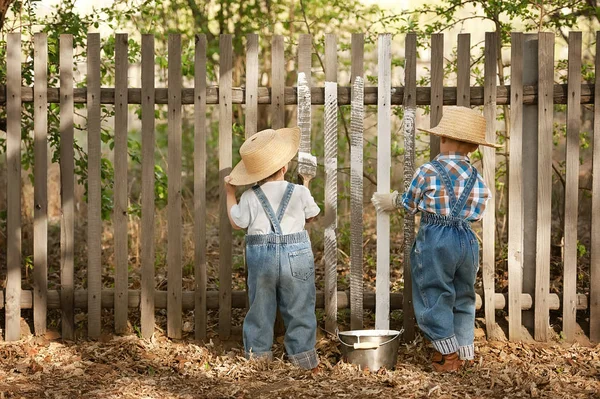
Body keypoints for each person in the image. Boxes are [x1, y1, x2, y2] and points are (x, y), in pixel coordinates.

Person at [371, 106, 500, 372]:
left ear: (442, 138)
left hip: (436, 238)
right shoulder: (477, 177)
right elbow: (481, 210)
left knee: (434, 292)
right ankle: (466, 352)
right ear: (474, 149)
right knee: (464, 295)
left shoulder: (428, 171)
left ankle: (448, 354)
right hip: (466, 239)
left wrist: (392, 200)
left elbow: (410, 204)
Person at [224, 126, 321, 370]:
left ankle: (257, 358)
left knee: (260, 306)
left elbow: (237, 223)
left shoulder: (249, 196)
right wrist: (305, 189)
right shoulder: (299, 191)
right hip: (296, 255)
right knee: (300, 306)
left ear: (253, 173)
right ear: (285, 167)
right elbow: (311, 216)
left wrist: (229, 193)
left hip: (261, 257)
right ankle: (303, 359)